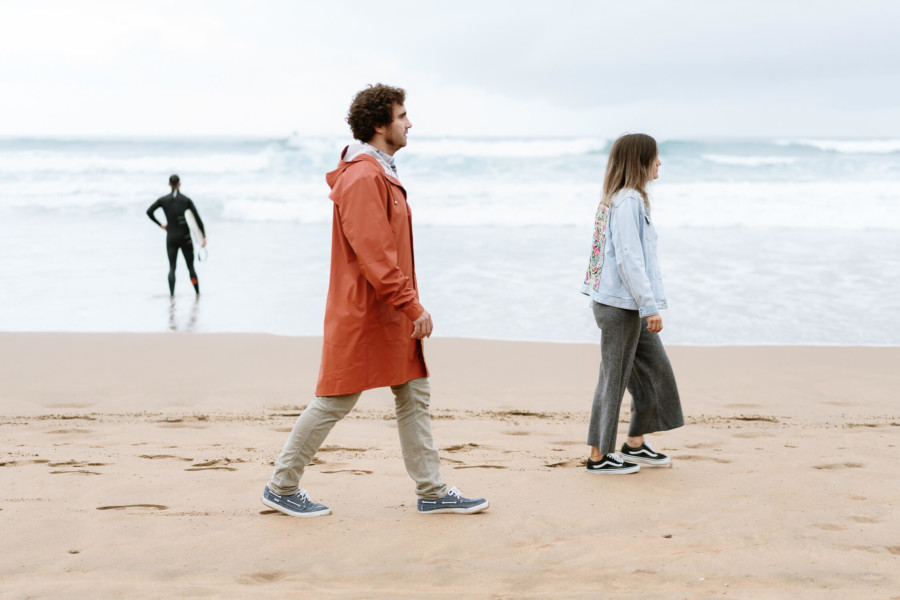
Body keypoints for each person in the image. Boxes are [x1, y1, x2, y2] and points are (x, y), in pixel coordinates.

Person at [261, 84, 488, 517]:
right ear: (381, 125)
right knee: (337, 398)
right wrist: (412, 305)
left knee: (413, 392)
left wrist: (405, 304)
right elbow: (375, 256)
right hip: (366, 311)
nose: (410, 123)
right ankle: (281, 485)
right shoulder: (364, 177)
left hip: (389, 309)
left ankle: (432, 491)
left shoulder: (379, 171)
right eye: (402, 116)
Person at [581, 133, 684, 475]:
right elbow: (629, 259)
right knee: (613, 380)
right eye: (654, 156)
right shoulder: (627, 201)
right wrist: (649, 306)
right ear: (639, 161)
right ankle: (598, 457)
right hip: (621, 306)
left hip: (627, 304)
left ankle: (635, 444)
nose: (659, 162)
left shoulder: (626, 198)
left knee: (655, 372)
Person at [146, 174, 206, 296]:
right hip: (185, 238)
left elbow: (149, 212)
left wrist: (161, 225)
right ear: (179, 184)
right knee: (191, 268)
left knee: (172, 268)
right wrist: (203, 236)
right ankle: (197, 293)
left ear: (169, 184)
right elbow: (197, 219)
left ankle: (172, 295)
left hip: (171, 237)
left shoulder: (163, 200)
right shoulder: (186, 200)